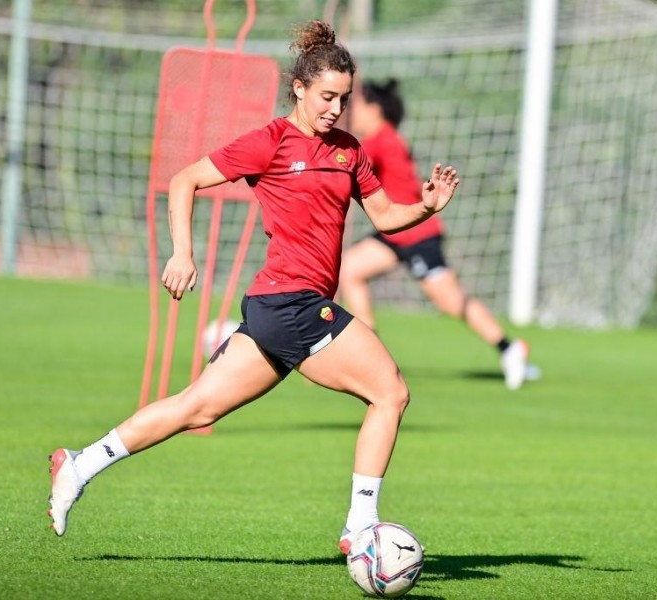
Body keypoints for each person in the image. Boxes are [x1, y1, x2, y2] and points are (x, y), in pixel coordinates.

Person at [47, 21, 459, 556]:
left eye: (344, 98)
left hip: (282, 309)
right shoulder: (270, 141)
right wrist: (182, 251)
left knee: (196, 408)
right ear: (300, 89)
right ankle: (361, 527)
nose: (336, 108)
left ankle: (79, 466)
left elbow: (383, 216)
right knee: (391, 392)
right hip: (290, 303)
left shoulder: (349, 151)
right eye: (327, 97)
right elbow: (184, 180)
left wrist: (424, 207)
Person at [339, 79, 539, 390]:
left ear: (375, 110)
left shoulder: (381, 140)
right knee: (349, 269)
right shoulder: (381, 139)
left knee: (450, 300)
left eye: (358, 106)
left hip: (417, 234)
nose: (352, 113)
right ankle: (371, 356)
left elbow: (346, 166)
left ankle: (509, 349)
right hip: (396, 232)